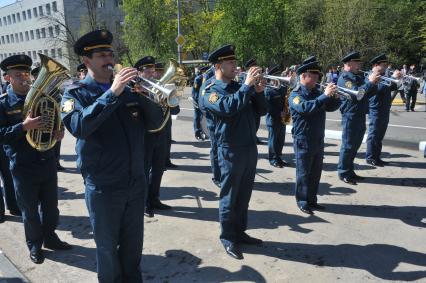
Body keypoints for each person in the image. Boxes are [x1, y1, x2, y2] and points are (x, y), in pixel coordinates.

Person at [61, 29, 162, 282]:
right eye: (102, 55)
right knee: (107, 249)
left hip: (135, 182)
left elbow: (156, 124)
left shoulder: (129, 90)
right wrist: (111, 94)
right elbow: (79, 127)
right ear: (86, 61)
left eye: (110, 54)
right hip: (103, 186)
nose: (109, 60)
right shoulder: (74, 93)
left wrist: (147, 97)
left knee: (133, 245)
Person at [0, 54, 71, 264]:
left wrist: (58, 132)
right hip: (22, 165)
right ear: (8, 78)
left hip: (46, 159)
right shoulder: (3, 103)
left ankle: (50, 237)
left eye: (25, 73)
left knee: (51, 207)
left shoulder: (44, 97)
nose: (24, 78)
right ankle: (34, 245)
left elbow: (55, 121)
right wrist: (23, 127)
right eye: (17, 74)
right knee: (29, 211)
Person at [203, 44, 267, 260]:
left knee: (244, 195)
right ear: (218, 65)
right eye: (230, 63)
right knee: (229, 196)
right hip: (229, 150)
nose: (235, 66)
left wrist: (258, 92)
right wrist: (247, 87)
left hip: (249, 147)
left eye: (234, 62)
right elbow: (228, 108)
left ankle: (240, 232)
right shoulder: (210, 90)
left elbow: (262, 111)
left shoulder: (237, 86)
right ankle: (228, 237)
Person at [289, 60, 340, 215]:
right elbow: (306, 108)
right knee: (304, 173)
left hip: (317, 138)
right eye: (315, 76)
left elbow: (330, 107)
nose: (318, 79)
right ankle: (302, 201)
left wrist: (335, 98)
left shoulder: (317, 93)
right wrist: (325, 96)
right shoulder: (295, 94)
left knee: (316, 173)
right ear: (304, 76)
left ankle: (312, 200)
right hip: (303, 139)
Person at [134, 56, 171, 218]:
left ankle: (154, 198)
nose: (152, 73)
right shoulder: (134, 88)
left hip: (160, 133)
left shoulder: (158, 87)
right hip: (144, 135)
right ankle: (143, 203)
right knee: (143, 170)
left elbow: (173, 111)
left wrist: (169, 98)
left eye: (153, 70)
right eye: (148, 70)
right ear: (139, 72)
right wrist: (143, 93)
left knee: (158, 169)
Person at [337, 51, 379, 185]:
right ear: (348, 63)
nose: (359, 64)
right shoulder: (345, 78)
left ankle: (350, 170)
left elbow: (368, 94)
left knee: (355, 145)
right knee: (348, 146)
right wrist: (369, 83)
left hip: (359, 114)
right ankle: (343, 172)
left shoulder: (358, 76)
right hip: (350, 115)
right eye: (357, 62)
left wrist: (373, 83)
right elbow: (357, 94)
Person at [365, 54, 399, 166]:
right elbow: (379, 89)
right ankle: (370, 157)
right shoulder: (371, 76)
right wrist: (393, 78)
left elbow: (392, 87)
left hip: (384, 109)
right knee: (374, 134)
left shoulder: (383, 76)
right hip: (375, 109)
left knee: (379, 136)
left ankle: (377, 156)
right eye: (383, 65)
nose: (385, 67)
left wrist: (397, 79)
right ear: (375, 65)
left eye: (385, 65)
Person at [198, 66, 221, 187]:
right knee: (216, 149)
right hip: (214, 123)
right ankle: (217, 177)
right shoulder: (208, 83)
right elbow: (202, 105)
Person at [264, 65, 288, 168]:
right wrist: (279, 113)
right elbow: (268, 107)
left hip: (282, 118)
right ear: (272, 77)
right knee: (273, 141)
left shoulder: (282, 89)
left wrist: (286, 110)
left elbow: (285, 101)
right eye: (277, 76)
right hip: (273, 119)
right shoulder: (268, 90)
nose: (279, 78)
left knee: (281, 140)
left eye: (279, 76)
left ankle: (278, 157)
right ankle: (273, 159)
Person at [192, 66, 209, 140]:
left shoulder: (208, 78)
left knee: (203, 117)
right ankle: (197, 132)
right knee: (197, 117)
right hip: (197, 100)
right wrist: (196, 101)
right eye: (205, 71)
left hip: (204, 100)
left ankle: (204, 132)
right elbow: (194, 91)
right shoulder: (198, 78)